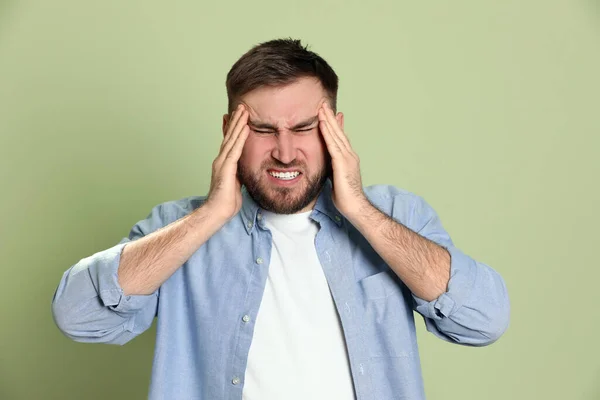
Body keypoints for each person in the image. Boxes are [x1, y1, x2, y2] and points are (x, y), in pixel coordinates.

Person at [52, 38, 510, 400]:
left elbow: (483, 321)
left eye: (305, 128)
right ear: (230, 129)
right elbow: (77, 317)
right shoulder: (177, 227)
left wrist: (359, 212)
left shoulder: (396, 215)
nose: (285, 152)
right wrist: (211, 215)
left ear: (336, 129)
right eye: (263, 129)